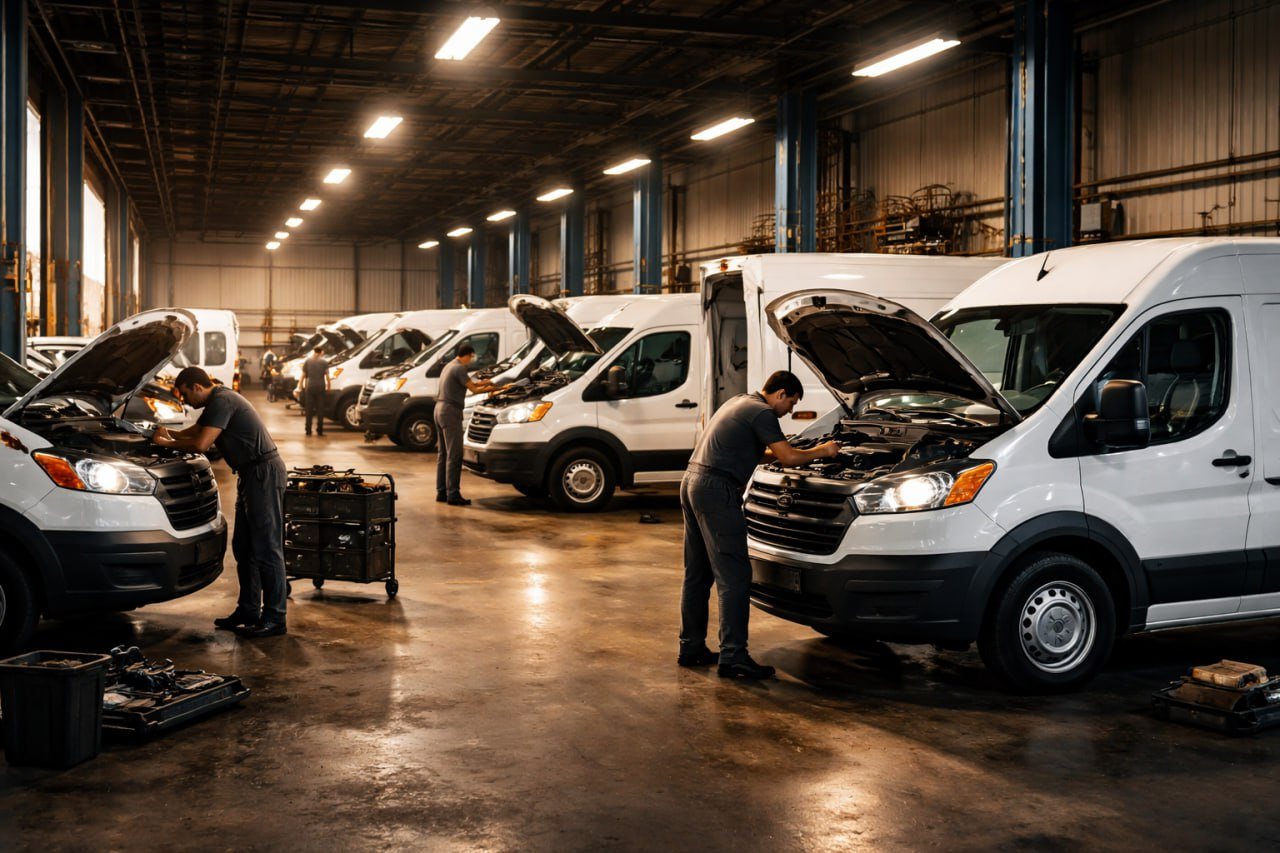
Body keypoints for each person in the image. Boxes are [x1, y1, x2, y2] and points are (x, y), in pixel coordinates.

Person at [678, 370, 839, 680]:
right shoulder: (763, 412)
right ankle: (734, 657)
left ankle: (691, 647)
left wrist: (780, 455)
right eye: (791, 403)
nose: (790, 410)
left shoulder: (739, 402)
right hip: (716, 490)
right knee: (735, 577)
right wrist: (824, 451)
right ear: (780, 394)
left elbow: (757, 452)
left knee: (697, 575)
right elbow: (789, 457)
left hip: (692, 482)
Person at [156, 367, 289, 638]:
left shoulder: (223, 400)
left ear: (196, 386)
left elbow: (201, 443)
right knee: (244, 547)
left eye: (184, 394)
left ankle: (276, 618)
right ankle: (249, 610)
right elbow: (197, 430)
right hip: (250, 475)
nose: (184, 401)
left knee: (267, 548)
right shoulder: (217, 401)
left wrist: (165, 443)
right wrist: (169, 433)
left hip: (263, 474)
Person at [435, 343, 501, 506]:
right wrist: (494, 388)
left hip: (439, 409)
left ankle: (442, 492)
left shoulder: (450, 366)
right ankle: (453, 494)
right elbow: (474, 390)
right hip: (450, 412)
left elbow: (470, 383)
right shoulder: (459, 368)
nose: (472, 360)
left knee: (443, 454)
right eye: (472, 357)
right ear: (468, 355)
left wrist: (486, 382)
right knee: (455, 455)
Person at [300, 346, 329, 436]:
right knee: (320, 409)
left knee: (309, 409)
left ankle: (308, 430)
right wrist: (329, 387)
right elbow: (327, 376)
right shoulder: (324, 362)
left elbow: (303, 375)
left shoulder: (308, 361)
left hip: (310, 387)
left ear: (314, 351)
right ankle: (320, 430)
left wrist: (300, 385)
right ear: (321, 352)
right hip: (321, 387)